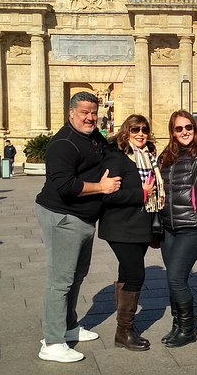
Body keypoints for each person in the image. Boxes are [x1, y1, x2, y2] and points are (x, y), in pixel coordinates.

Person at [34, 92, 121, 363]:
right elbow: (65, 185)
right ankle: (52, 341)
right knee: (60, 281)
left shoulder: (93, 136)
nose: (90, 117)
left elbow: (109, 154)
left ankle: (68, 326)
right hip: (62, 217)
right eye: (84, 112)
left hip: (83, 219)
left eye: (93, 112)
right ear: (71, 113)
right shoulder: (63, 144)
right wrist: (102, 187)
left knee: (77, 275)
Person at [99, 114, 164, 351]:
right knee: (136, 275)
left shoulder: (149, 157)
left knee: (126, 273)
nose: (140, 134)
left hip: (140, 227)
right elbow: (108, 194)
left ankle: (125, 328)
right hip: (120, 227)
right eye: (135, 129)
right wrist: (142, 194)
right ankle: (123, 331)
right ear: (126, 132)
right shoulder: (117, 158)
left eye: (144, 130)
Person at [158, 110, 197, 348]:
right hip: (169, 227)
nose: (184, 132)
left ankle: (188, 328)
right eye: (179, 129)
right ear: (173, 132)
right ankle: (177, 325)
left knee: (176, 277)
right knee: (172, 279)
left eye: (188, 127)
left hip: (193, 226)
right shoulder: (165, 156)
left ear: (194, 128)